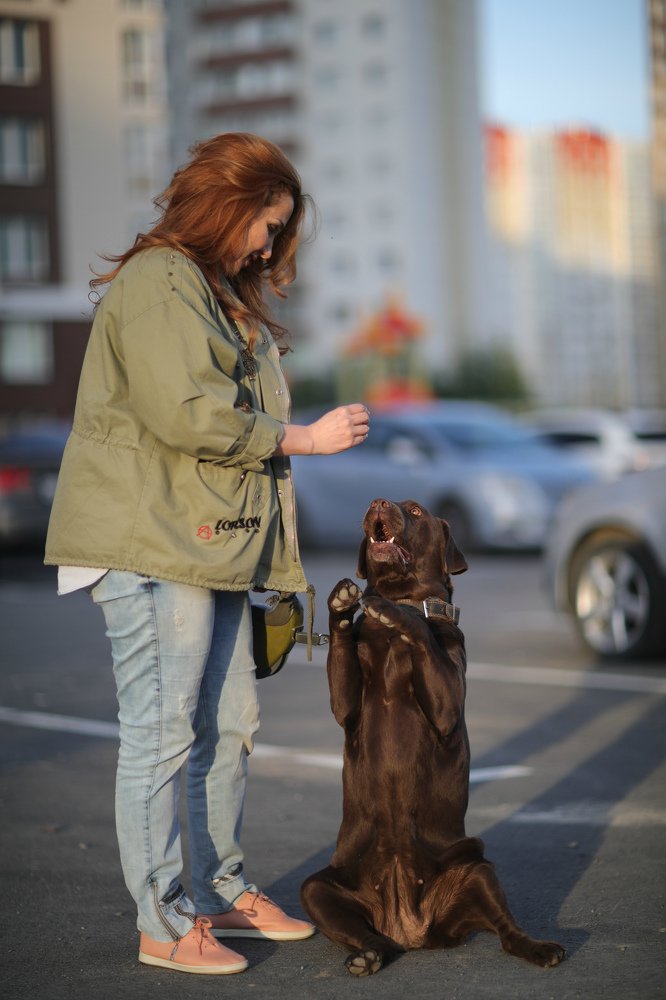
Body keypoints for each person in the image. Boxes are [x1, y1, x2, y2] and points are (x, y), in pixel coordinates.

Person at [44, 132, 369, 976]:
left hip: (204, 544)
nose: (268, 244)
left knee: (228, 725)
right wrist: (306, 438)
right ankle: (162, 921)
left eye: (279, 229)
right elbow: (189, 413)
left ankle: (219, 891)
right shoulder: (161, 281)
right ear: (229, 204)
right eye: (268, 223)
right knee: (161, 734)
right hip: (148, 542)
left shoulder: (211, 289)